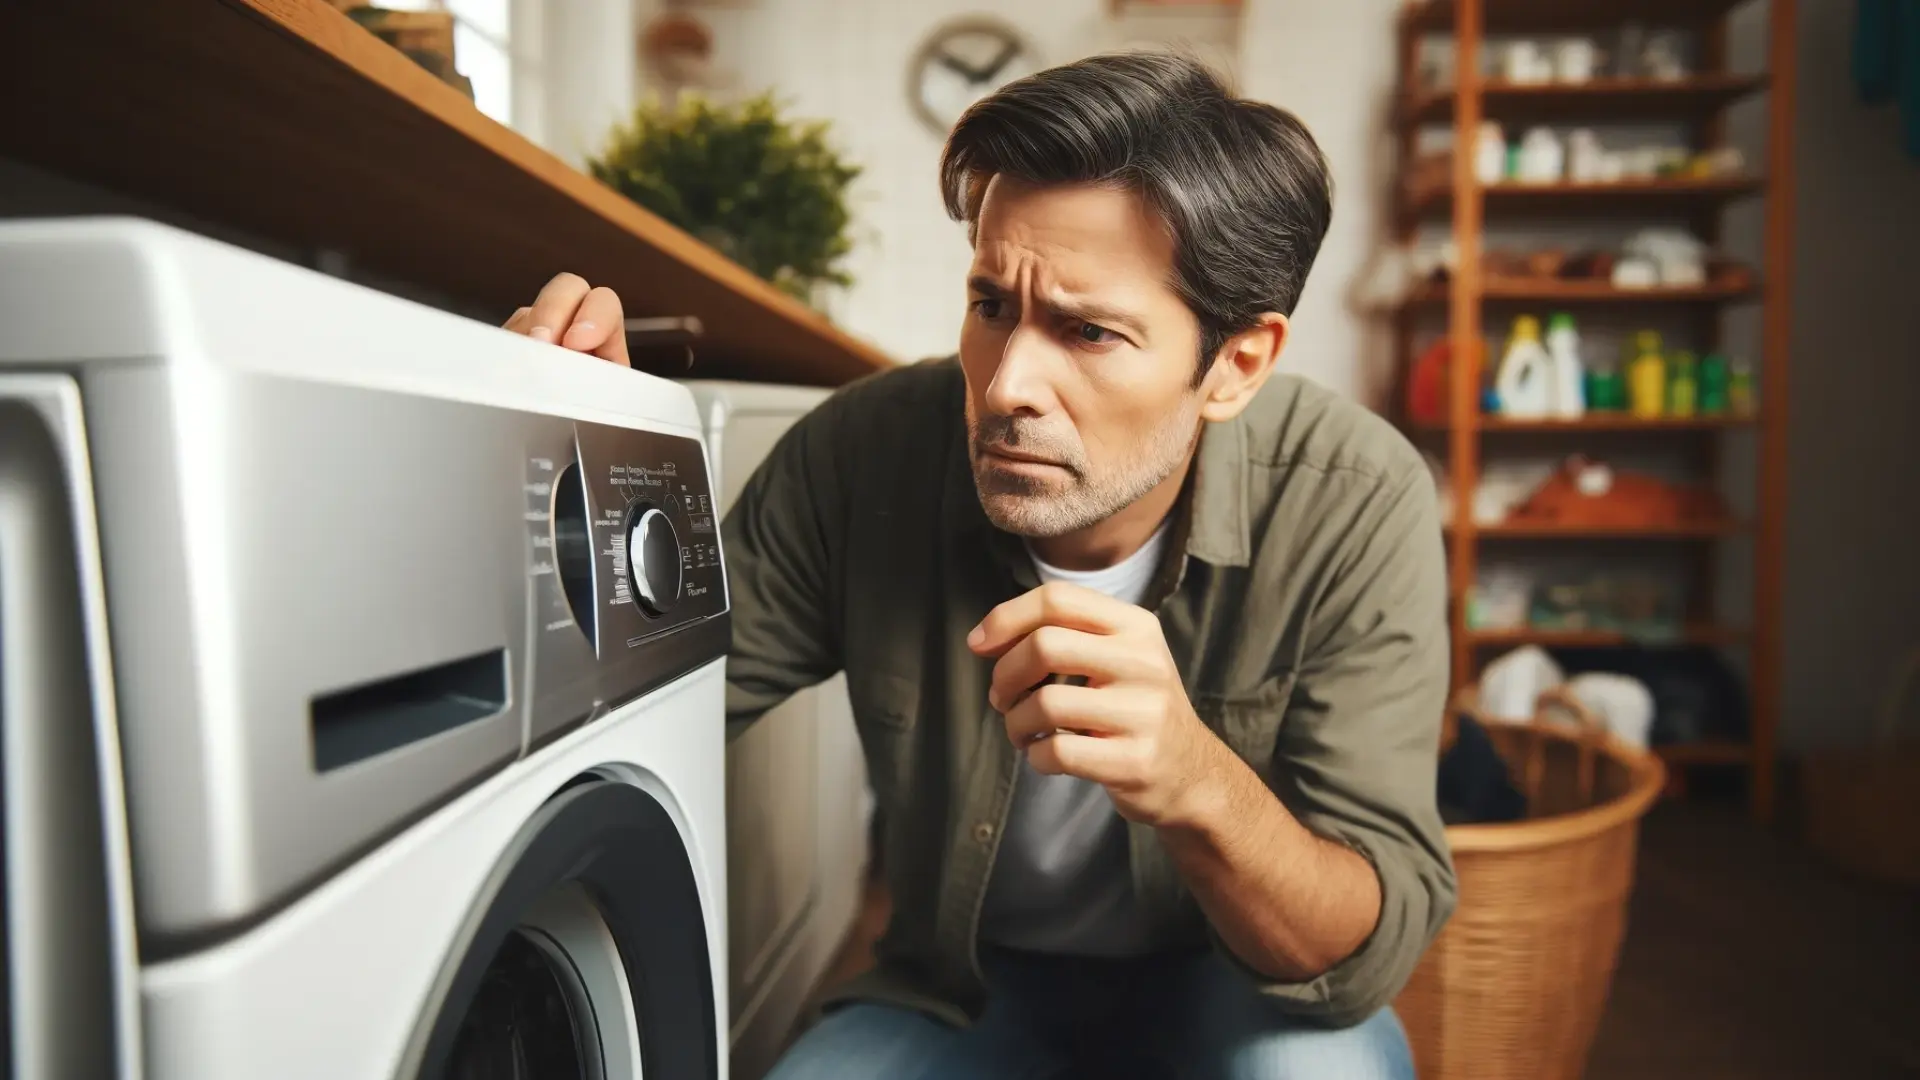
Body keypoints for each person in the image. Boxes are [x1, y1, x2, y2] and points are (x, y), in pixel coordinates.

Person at [506, 50, 1452, 1080]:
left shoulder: (1355, 498)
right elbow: (649, 703)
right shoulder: (861, 452)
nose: (1008, 386)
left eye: (1088, 331)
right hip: (963, 993)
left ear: (1234, 365)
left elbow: (1362, 951)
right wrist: (600, 469)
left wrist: (1195, 780)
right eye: (993, 304)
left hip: (1233, 988)